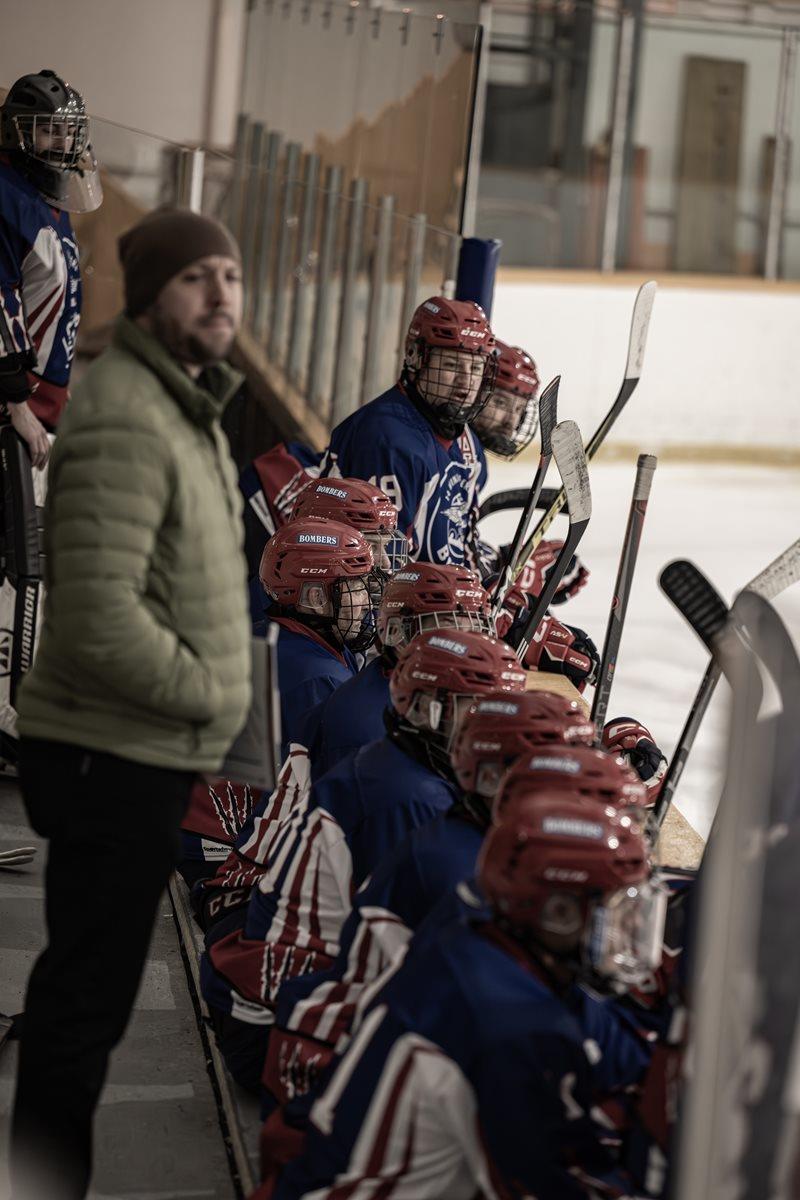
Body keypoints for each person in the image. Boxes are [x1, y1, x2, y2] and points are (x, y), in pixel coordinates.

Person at [10, 206, 252, 1200]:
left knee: (88, 1001)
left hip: (138, 749)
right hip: (111, 755)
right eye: (198, 278)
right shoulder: (127, 416)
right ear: (152, 297)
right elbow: (102, 619)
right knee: (81, 1009)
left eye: (230, 276)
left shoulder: (179, 404)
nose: (222, 294)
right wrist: (209, 694)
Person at [270, 785, 664, 1200]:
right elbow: (552, 1185)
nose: (631, 931)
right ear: (559, 914)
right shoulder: (513, 1025)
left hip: (319, 1163)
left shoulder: (475, 928)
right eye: (620, 912)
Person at [199, 628, 526, 1091]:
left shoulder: (401, 763)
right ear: (426, 711)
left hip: (270, 987)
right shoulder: (408, 796)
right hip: (272, 1022)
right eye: (475, 711)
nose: (495, 736)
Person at [321, 296, 496, 567]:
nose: (466, 380)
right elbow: (378, 570)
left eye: (475, 367)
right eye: (451, 365)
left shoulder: (465, 441)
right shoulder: (387, 439)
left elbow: (458, 543)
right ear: (416, 358)